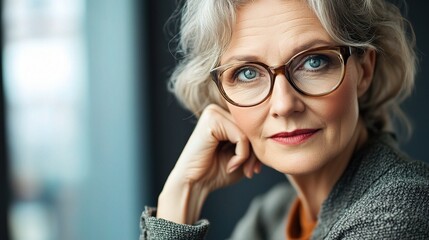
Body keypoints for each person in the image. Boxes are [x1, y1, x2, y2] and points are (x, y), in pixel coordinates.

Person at [140, 0, 429, 239]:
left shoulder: (404, 207)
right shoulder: (269, 219)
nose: (284, 104)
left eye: (314, 62)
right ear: (221, 97)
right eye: (247, 73)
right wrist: (182, 194)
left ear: (364, 71)